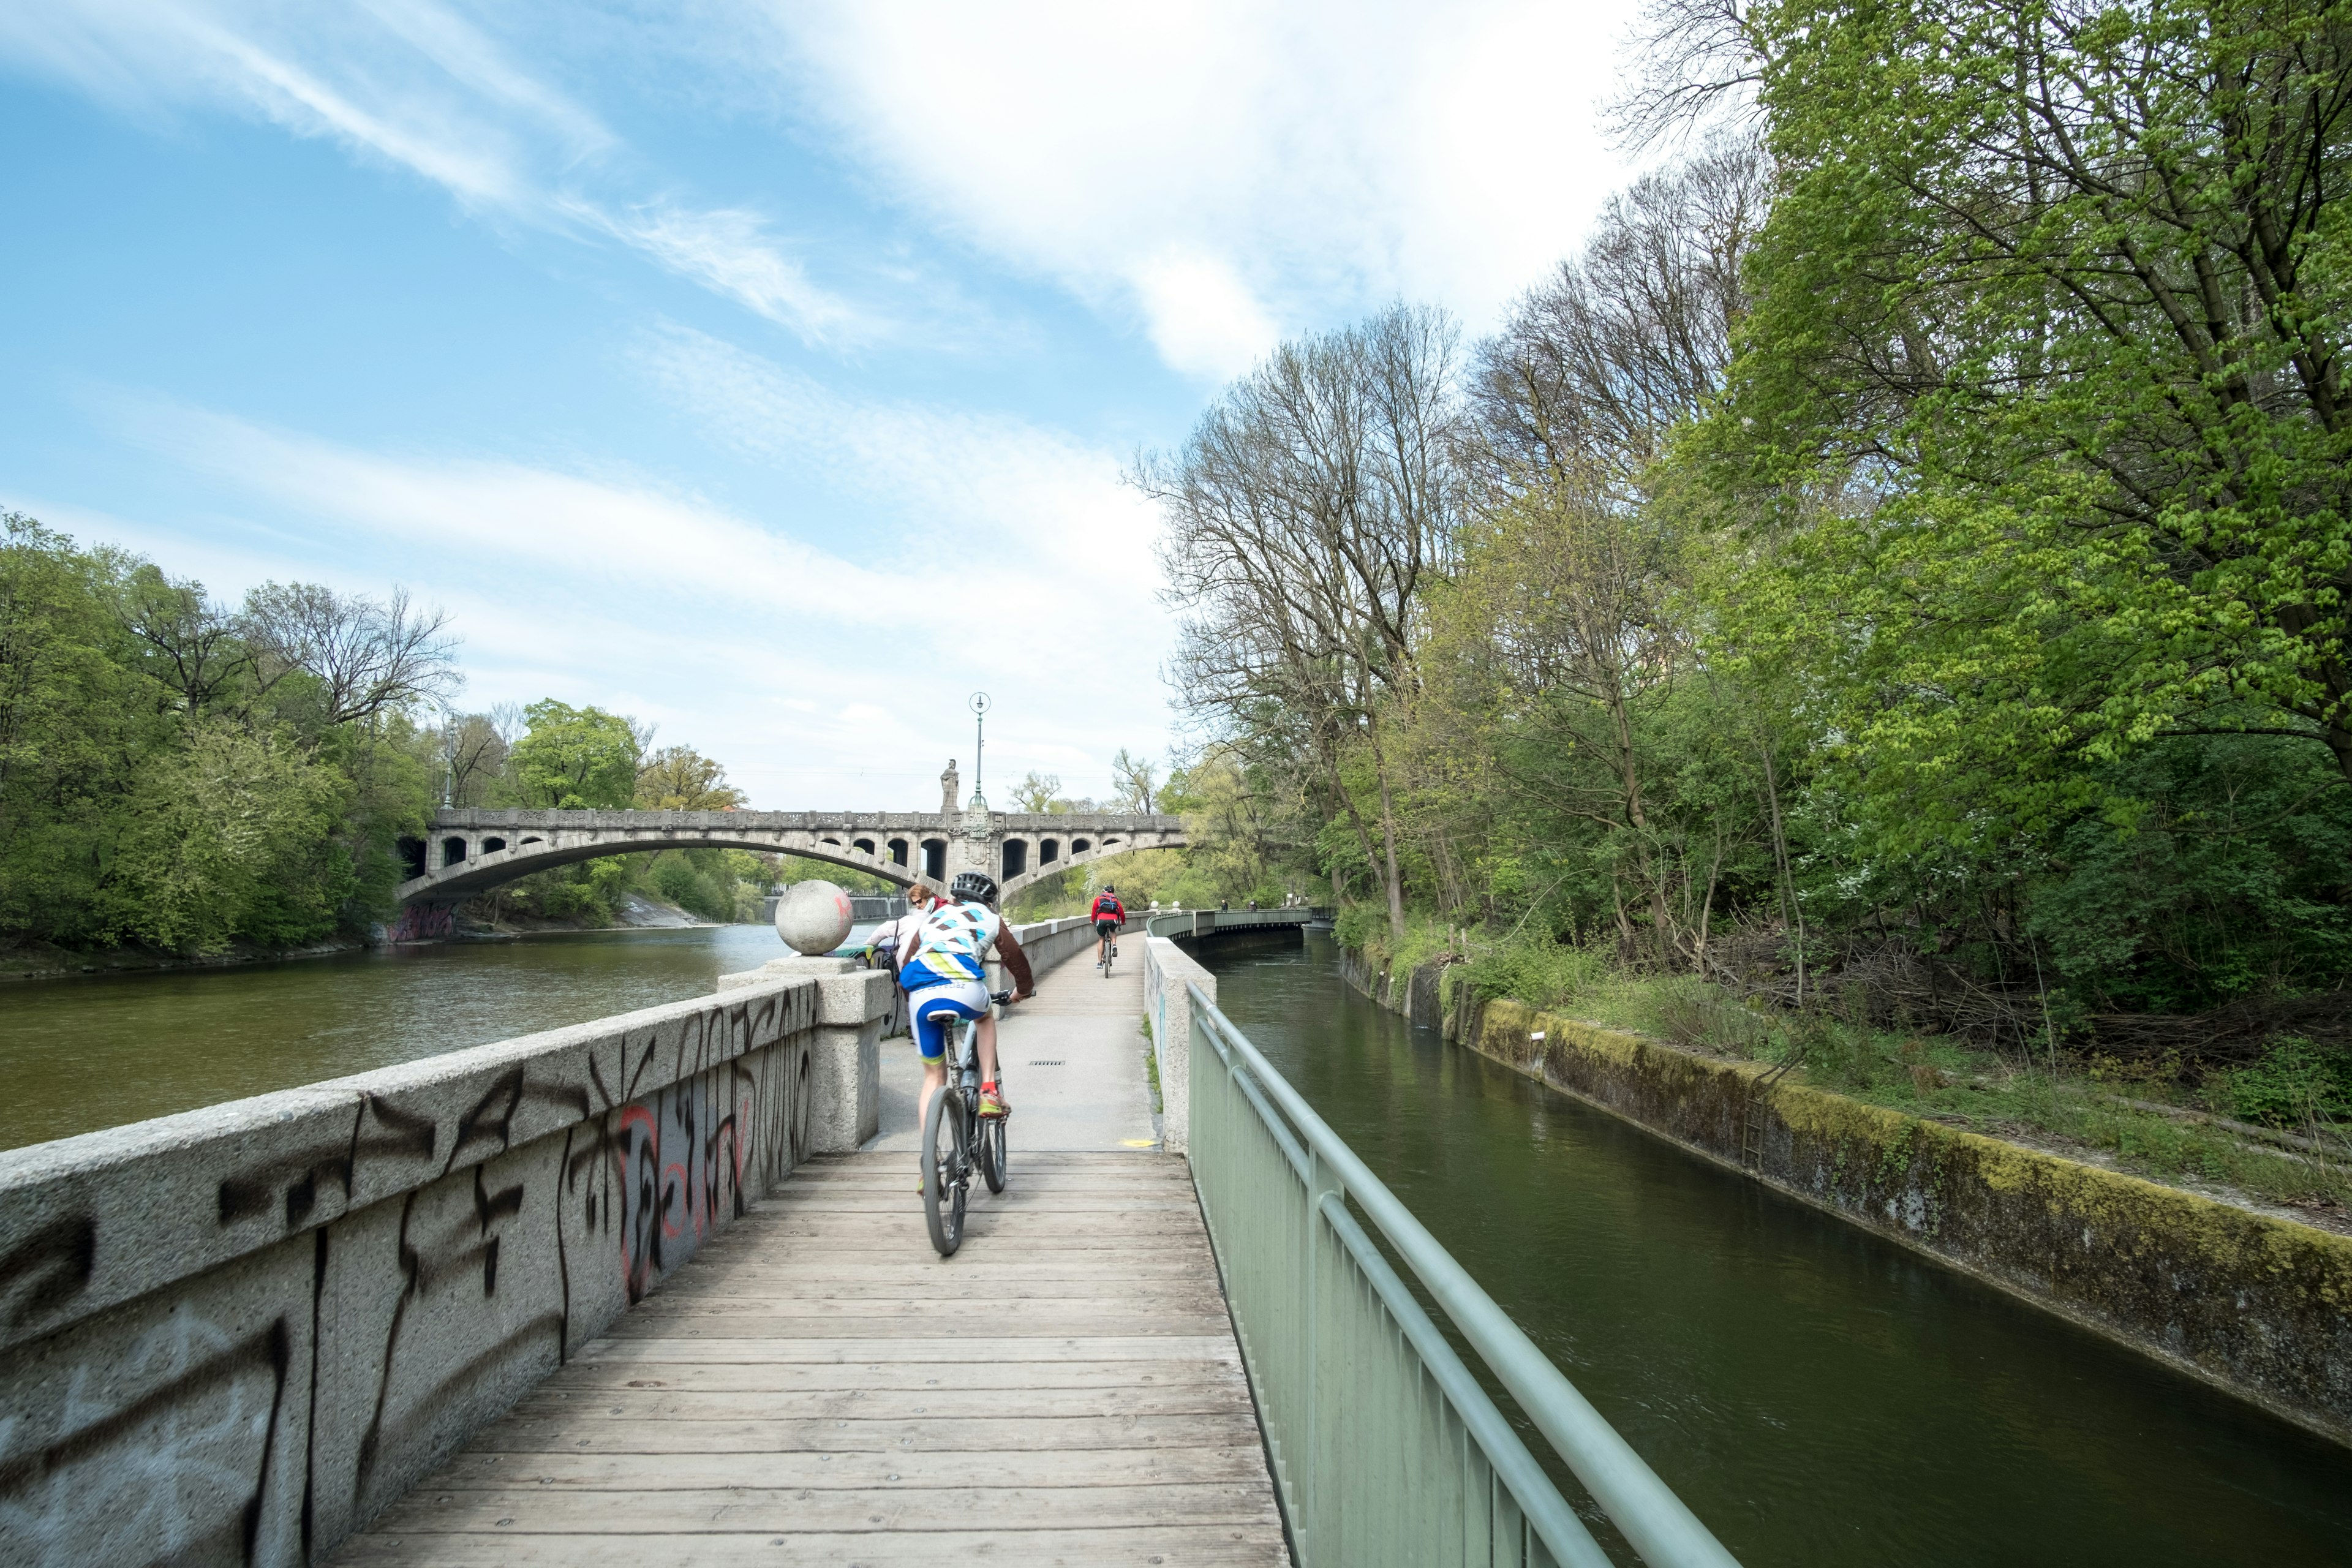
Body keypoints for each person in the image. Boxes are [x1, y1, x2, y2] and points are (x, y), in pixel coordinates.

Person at [897, 871, 1033, 1148]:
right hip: (965, 989)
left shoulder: (933, 918)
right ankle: (988, 1089)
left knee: (933, 1078)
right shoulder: (991, 918)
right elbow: (1015, 958)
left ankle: (928, 1164)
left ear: (954, 897)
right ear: (990, 902)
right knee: (984, 1018)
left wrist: (910, 996)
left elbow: (907, 959)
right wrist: (1023, 991)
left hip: (921, 993)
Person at [1089, 883, 1126, 966]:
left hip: (1101, 920)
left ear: (1104, 891)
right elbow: (1122, 913)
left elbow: (1094, 911)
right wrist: (1123, 922)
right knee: (1112, 931)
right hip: (1113, 920)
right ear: (1113, 892)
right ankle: (1114, 945)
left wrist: (1092, 921)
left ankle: (1099, 962)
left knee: (1101, 938)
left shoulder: (1098, 899)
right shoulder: (1115, 900)